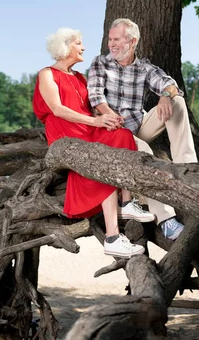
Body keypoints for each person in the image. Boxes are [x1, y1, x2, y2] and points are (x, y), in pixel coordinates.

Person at [33, 27, 156, 259]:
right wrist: (95, 121)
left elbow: (94, 104)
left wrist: (108, 118)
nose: (83, 48)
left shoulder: (81, 77)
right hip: (65, 133)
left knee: (122, 135)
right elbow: (57, 109)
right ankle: (112, 237)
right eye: (78, 43)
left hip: (88, 129)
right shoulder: (47, 74)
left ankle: (126, 202)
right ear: (66, 46)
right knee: (100, 162)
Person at [87, 18, 198, 240]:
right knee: (144, 149)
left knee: (177, 102)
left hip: (138, 125)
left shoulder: (144, 67)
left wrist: (166, 96)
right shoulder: (101, 63)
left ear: (132, 41)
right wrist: (109, 114)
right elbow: (95, 96)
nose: (112, 44)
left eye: (117, 39)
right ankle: (165, 218)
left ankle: (187, 167)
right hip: (114, 131)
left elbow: (168, 83)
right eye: (110, 39)